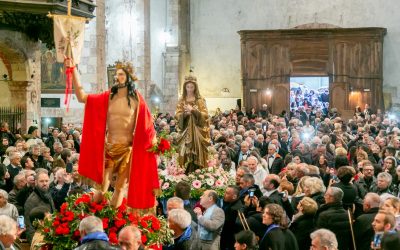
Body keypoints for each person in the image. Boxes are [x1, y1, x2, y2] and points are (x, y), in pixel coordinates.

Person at [66, 58, 159, 209]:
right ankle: (89, 214)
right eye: (117, 74)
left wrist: (155, 144)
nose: (118, 77)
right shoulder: (107, 97)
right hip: (109, 148)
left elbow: (147, 126)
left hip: (127, 149)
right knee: (102, 189)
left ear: (129, 76)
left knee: (120, 188)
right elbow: (82, 96)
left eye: (121, 74)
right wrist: (73, 70)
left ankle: (111, 218)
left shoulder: (137, 100)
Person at [175, 74, 210, 173]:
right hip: (185, 130)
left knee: (198, 152)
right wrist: (185, 114)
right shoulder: (181, 100)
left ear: (195, 88)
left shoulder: (200, 100)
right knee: (184, 151)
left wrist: (194, 111)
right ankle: (184, 171)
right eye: (187, 87)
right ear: (185, 87)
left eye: (192, 87)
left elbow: (205, 115)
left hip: (197, 131)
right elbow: (177, 115)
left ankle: (198, 173)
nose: (189, 89)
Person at [24, 169, 55, 243]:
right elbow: (29, 227)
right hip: (40, 239)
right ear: (36, 182)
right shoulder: (31, 201)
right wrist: (36, 244)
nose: (45, 183)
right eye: (41, 181)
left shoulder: (48, 195)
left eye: (46, 181)